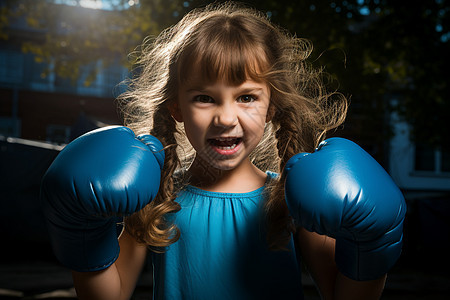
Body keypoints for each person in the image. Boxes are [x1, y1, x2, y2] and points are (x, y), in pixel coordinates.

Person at [40, 2, 406, 299]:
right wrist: (84, 233)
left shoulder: (288, 200)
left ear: (272, 106)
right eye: (204, 98)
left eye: (246, 96)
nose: (225, 118)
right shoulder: (157, 199)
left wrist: (370, 248)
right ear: (176, 108)